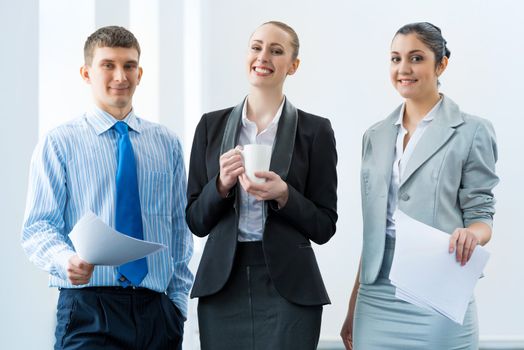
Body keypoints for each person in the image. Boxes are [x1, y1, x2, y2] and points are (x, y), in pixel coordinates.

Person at [21, 26, 193, 350]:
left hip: (157, 313)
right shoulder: (60, 143)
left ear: (139, 73)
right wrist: (65, 259)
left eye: (129, 65)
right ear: (87, 73)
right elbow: (38, 227)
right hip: (88, 309)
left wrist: (178, 305)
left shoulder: (167, 143)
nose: (120, 75)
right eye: (108, 65)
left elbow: (179, 229)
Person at [340, 22, 499, 349]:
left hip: (438, 289)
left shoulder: (472, 131)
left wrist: (473, 234)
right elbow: (374, 229)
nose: (403, 69)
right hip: (376, 295)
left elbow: (482, 215)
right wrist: (353, 304)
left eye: (416, 58)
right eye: (395, 58)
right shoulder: (375, 136)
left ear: (441, 64)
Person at [186, 21, 337, 349]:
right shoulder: (211, 126)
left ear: (293, 66)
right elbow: (196, 221)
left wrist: (285, 195)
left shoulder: (315, 131)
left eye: (276, 50)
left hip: (291, 287)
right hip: (222, 285)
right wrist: (221, 185)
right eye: (256, 47)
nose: (263, 56)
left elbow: (325, 226)